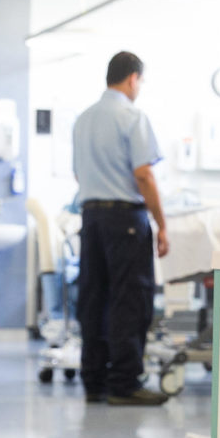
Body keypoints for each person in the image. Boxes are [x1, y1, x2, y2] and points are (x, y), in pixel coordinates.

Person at [71, 51, 171, 407]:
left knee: (93, 298)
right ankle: (125, 382)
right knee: (129, 299)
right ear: (132, 78)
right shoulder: (131, 116)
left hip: (91, 218)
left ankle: (94, 380)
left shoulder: (82, 120)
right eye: (140, 81)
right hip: (125, 219)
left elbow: (79, 174)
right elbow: (143, 174)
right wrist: (161, 224)